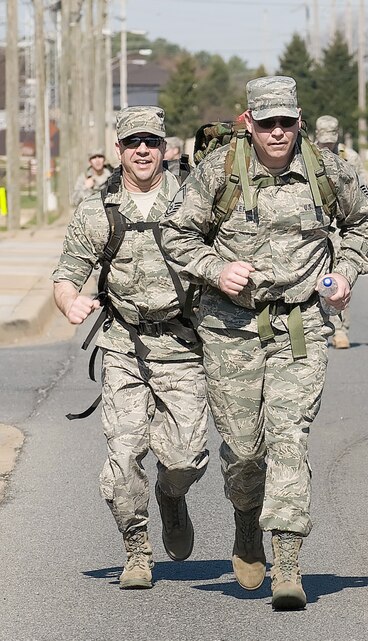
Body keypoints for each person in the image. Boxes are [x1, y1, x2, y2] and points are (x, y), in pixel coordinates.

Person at [160, 76, 368, 610]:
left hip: (299, 326)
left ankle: (287, 559)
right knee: (243, 451)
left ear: (299, 121)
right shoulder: (219, 171)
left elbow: (364, 224)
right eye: (267, 123)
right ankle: (245, 521)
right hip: (231, 327)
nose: (278, 133)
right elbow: (175, 234)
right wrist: (216, 268)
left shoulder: (328, 170)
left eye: (287, 122)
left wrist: (345, 271)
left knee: (289, 438)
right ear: (249, 123)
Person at [52, 106, 209, 590]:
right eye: (133, 142)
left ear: (165, 148)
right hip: (124, 345)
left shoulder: (195, 203)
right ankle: (137, 549)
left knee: (184, 458)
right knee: (122, 458)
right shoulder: (98, 211)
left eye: (152, 142)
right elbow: (66, 274)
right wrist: (69, 302)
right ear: (118, 150)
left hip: (183, 345)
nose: (143, 150)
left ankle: (170, 496)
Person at [314, 114, 367, 349]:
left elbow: (362, 195)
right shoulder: (306, 155)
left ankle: (340, 330)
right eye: (323, 141)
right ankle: (315, 326)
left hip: (340, 227)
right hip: (315, 227)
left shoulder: (350, 158)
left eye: (330, 140)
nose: (327, 145)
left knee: (340, 277)